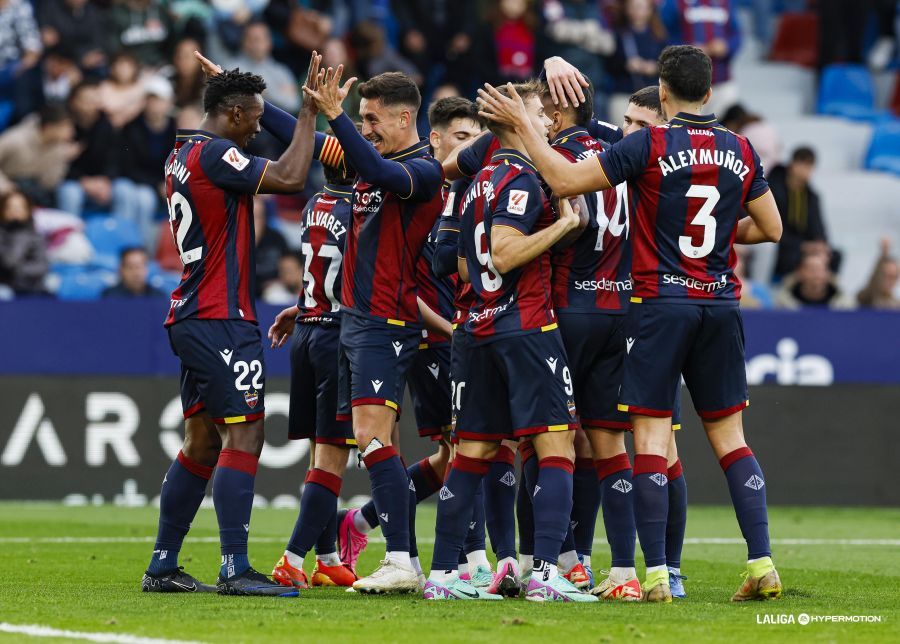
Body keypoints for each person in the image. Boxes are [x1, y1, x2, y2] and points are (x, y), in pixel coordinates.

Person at [477, 44, 784, 603]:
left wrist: (527, 125)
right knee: (731, 440)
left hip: (658, 304)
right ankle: (762, 562)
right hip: (719, 302)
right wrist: (711, 237)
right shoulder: (740, 147)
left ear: (661, 92)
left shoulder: (650, 143)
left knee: (646, 437)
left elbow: (566, 183)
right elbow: (772, 228)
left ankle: (657, 575)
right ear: (711, 92)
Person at [141, 53, 321, 597]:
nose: (261, 129)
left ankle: (163, 566)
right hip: (221, 315)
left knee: (201, 441)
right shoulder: (217, 153)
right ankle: (234, 567)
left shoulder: (183, 153)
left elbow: (242, 155)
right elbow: (291, 176)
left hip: (195, 310)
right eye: (259, 119)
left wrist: (249, 100)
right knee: (245, 432)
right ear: (238, 115)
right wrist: (309, 112)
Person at [425, 80, 595, 603]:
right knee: (556, 444)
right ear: (518, 121)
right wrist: (562, 228)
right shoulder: (522, 177)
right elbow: (502, 251)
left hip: (475, 329)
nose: (549, 122)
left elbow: (459, 263)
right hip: (524, 329)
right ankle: (546, 573)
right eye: (541, 114)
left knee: (471, 452)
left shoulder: (476, 181)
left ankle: (441, 576)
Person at [303, 68, 445, 594]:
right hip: (356, 321)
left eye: (372, 118)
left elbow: (374, 169)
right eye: (360, 118)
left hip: (386, 321)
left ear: (405, 117)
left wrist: (337, 116)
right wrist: (257, 99)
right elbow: (318, 142)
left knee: (370, 437)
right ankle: (398, 557)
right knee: (379, 440)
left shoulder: (423, 171)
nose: (365, 128)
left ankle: (404, 561)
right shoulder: (368, 156)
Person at [266, 159, 359, 590]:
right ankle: (291, 557)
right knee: (333, 457)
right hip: (338, 336)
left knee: (319, 453)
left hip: (307, 329)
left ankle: (327, 557)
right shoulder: (360, 209)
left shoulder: (314, 204)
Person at [115, 75, 176, 250]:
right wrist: (156, 184)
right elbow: (127, 165)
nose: (154, 105)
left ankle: (143, 251)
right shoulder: (132, 127)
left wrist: (166, 184)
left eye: (159, 100)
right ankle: (125, 248)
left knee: (145, 199)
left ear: (169, 103)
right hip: (136, 180)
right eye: (150, 100)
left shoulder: (175, 129)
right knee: (134, 195)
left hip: (159, 185)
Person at [661, 0, 741, 115]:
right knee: (686, 129)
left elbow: (737, 34)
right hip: (685, 86)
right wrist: (686, 48)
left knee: (725, 127)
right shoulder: (673, 3)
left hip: (721, 81)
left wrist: (726, 46)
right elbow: (661, 35)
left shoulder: (725, 3)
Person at [767, 147, 832, 280]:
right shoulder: (771, 190)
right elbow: (770, 227)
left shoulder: (811, 196)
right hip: (780, 245)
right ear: (793, 164)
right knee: (789, 255)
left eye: (810, 167)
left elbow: (818, 228)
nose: (807, 171)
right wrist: (801, 246)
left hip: (802, 247)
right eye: (804, 165)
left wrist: (820, 245)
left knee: (833, 256)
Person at [56, 81, 118, 217]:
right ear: (73, 101)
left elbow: (114, 158)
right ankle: (69, 236)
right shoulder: (62, 125)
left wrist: (106, 179)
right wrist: (83, 181)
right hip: (73, 181)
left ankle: (125, 236)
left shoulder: (106, 125)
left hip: (101, 181)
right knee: (70, 193)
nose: (91, 104)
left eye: (94, 100)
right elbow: (56, 165)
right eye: (86, 100)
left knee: (125, 191)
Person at [0, 104, 75, 205]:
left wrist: (63, 159)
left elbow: (49, 183)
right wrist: (5, 186)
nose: (71, 132)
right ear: (49, 127)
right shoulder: (15, 139)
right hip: (6, 188)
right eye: (66, 127)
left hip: (32, 192)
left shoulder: (60, 148)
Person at [230, 22, 300, 113]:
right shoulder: (232, 70)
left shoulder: (281, 71)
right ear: (244, 42)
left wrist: (262, 90)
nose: (259, 44)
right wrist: (279, 91)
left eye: (263, 38)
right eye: (254, 39)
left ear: (270, 42)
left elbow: (294, 104)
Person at [0, 190, 48, 297]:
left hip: (30, 285)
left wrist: (15, 271)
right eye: (10, 207)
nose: (15, 211)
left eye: (20, 207)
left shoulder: (36, 236)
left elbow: (42, 267)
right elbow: (9, 261)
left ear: (28, 210)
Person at [774, 250, 854, 310]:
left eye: (821, 270)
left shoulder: (844, 303)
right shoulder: (783, 302)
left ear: (828, 273)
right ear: (800, 272)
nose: (817, 275)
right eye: (812, 270)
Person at [857, 238, 900, 310]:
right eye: (886, 276)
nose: (889, 280)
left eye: (893, 277)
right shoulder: (869, 298)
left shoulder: (896, 304)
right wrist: (884, 254)